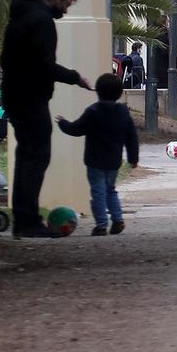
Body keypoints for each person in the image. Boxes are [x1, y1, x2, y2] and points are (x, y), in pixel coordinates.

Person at [0, 0, 93, 238]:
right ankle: (28, 221)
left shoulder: (21, 17)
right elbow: (43, 65)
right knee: (37, 157)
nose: (65, 9)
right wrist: (76, 78)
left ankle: (23, 218)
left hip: (15, 95)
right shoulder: (41, 21)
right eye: (66, 2)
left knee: (27, 157)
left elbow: (6, 59)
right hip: (30, 98)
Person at [57, 72, 140, 236]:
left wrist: (63, 123)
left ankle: (101, 224)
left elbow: (77, 129)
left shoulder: (93, 111)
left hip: (95, 160)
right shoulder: (123, 113)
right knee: (110, 190)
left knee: (98, 192)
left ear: (98, 92)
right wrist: (133, 158)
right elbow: (131, 137)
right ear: (119, 93)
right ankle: (117, 219)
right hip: (114, 161)